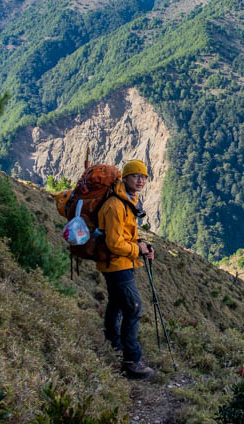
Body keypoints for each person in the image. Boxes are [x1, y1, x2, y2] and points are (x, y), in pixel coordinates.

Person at [98, 158, 155, 379]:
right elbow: (114, 243)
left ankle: (113, 345)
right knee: (134, 308)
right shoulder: (115, 205)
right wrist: (137, 250)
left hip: (120, 263)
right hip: (116, 264)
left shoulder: (128, 200)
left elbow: (127, 236)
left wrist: (143, 246)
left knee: (116, 305)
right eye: (135, 176)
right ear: (125, 177)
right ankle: (132, 361)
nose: (140, 180)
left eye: (143, 176)